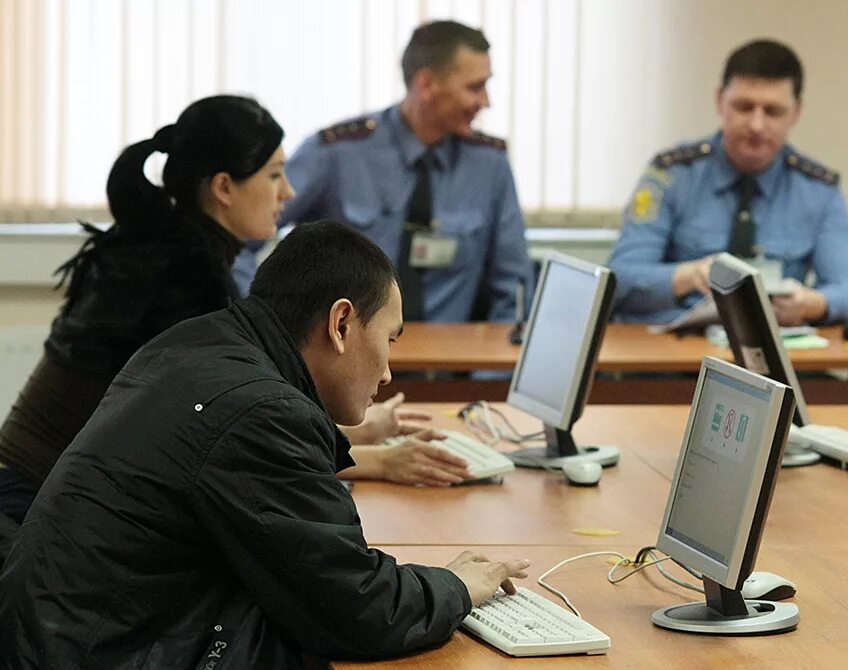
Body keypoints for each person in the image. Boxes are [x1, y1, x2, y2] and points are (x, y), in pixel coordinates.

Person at [0, 221, 529, 668]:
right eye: (389, 339)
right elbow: (362, 609)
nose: (388, 371)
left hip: (66, 637)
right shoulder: (264, 413)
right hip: (104, 652)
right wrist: (459, 586)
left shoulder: (198, 343)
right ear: (341, 323)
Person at [0, 96, 469, 537]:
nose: (288, 192)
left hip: (34, 485)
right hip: (35, 502)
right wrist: (379, 460)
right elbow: (231, 448)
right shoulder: (185, 281)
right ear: (224, 188)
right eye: (274, 175)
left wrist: (353, 434)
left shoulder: (163, 248)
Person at [234, 20, 534, 322]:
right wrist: (262, 328)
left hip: (451, 363)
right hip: (342, 361)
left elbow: (513, 286)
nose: (485, 101)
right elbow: (238, 240)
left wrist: (494, 368)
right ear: (426, 84)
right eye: (475, 87)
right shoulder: (336, 153)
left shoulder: (489, 165)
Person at [608, 39, 848, 327]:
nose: (756, 125)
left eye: (772, 111)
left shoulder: (818, 190)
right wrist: (689, 276)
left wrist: (810, 305)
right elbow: (620, 279)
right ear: (719, 101)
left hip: (774, 359)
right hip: (672, 357)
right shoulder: (671, 174)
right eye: (743, 107)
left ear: (796, 112)